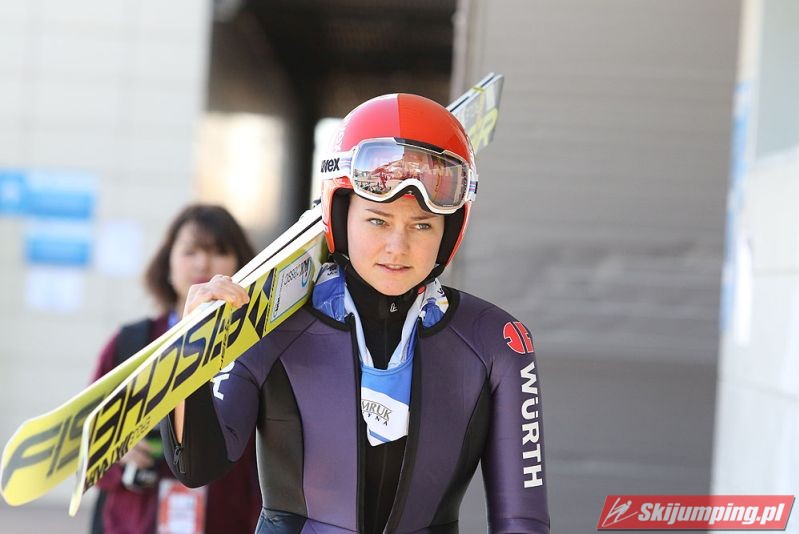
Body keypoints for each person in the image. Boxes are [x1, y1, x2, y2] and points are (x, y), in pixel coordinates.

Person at [161, 95, 550, 533]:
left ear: (450, 230)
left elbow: (522, 520)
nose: (398, 247)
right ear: (341, 214)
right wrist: (189, 348)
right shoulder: (273, 322)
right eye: (378, 221)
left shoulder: (496, 340)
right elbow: (197, 464)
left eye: (422, 225)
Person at [90, 204, 262, 534]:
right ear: (167, 263)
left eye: (219, 251)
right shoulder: (130, 344)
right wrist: (114, 455)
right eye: (190, 251)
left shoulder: (259, 346)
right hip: (134, 524)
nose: (203, 264)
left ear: (241, 263)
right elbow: (83, 441)